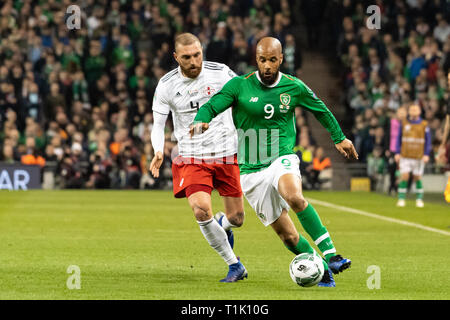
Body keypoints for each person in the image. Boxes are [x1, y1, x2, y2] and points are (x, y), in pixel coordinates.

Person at [191, 37, 358, 287]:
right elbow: (213, 105)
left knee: (294, 195)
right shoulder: (239, 86)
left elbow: (320, 109)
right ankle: (322, 269)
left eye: (272, 60)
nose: (267, 66)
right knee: (289, 237)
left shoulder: (294, 87)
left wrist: (339, 138)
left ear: (281, 59)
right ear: (256, 60)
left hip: (281, 157)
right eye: (262, 60)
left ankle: (331, 254)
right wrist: (201, 119)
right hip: (250, 171)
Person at [149, 33, 247, 282]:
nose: (193, 61)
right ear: (176, 57)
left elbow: (246, 96)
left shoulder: (221, 73)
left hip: (226, 153)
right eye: (186, 57)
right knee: (201, 211)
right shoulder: (167, 85)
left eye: (197, 55)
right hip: (192, 156)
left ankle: (223, 225)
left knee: (237, 219)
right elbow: (158, 124)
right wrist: (158, 150)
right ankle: (234, 264)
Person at [395, 104, 431, 207]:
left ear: (420, 111)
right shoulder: (404, 123)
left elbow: (428, 141)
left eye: (416, 109)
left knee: (417, 177)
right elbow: (399, 139)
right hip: (405, 155)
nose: (414, 111)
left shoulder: (424, 124)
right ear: (409, 111)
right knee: (404, 176)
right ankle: (401, 198)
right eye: (412, 109)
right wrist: (397, 152)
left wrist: (426, 154)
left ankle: (419, 199)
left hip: (418, 156)